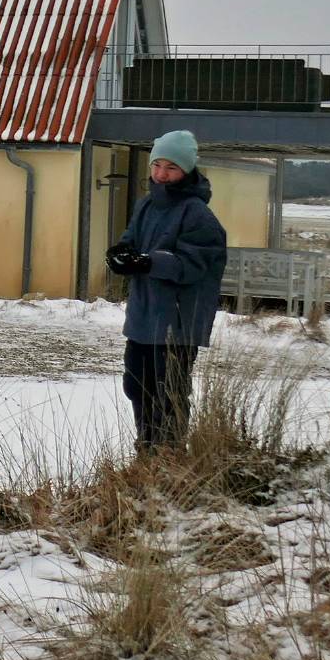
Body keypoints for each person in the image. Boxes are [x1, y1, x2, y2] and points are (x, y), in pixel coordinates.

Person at [106, 130, 228, 452]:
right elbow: (130, 240)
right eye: (156, 165)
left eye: (170, 167)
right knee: (136, 386)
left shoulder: (197, 214)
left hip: (177, 323)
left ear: (187, 170)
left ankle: (169, 453)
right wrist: (120, 255)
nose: (161, 174)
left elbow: (193, 264)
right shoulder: (147, 205)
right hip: (143, 317)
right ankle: (147, 450)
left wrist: (148, 262)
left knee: (167, 392)